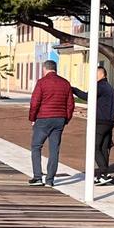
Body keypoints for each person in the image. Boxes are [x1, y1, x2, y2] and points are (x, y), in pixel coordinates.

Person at [28, 59, 74, 187]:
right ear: (55, 68)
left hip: (43, 119)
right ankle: (50, 180)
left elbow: (35, 102)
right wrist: (66, 119)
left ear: (45, 69)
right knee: (54, 150)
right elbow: (70, 104)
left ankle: (37, 177)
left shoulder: (42, 83)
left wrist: (32, 118)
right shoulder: (65, 83)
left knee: (36, 146)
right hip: (59, 119)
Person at [72, 66, 114, 185]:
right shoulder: (111, 89)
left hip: (100, 122)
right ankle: (103, 175)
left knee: (94, 147)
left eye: (95, 74)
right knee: (103, 148)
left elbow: (87, 97)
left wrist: (74, 90)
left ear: (102, 74)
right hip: (109, 122)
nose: (93, 77)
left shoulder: (100, 87)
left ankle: (104, 171)